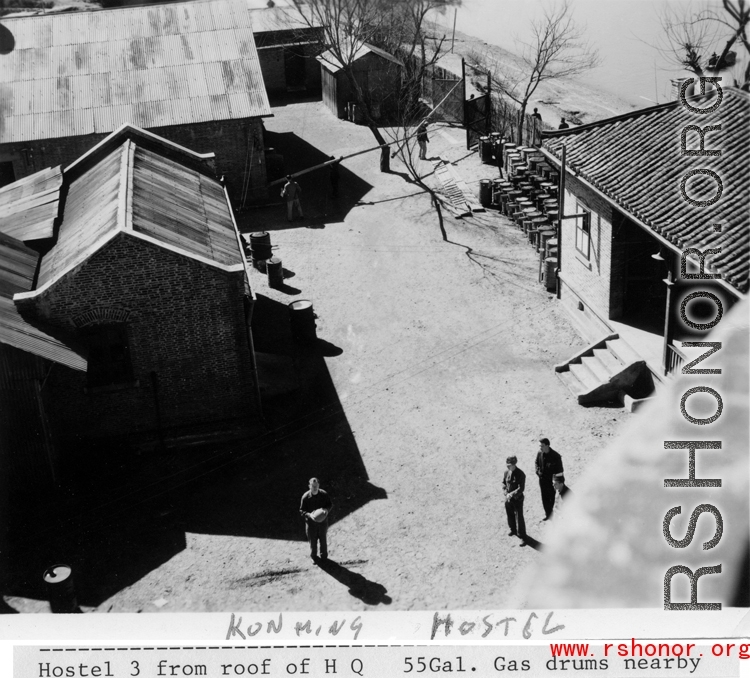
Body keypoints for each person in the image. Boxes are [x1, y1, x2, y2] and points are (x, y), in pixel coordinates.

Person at [300, 477, 332, 563]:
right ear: (309, 486)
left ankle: (324, 557)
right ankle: (314, 557)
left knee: (323, 541)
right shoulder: (305, 497)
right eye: (313, 486)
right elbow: (302, 511)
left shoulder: (324, 494)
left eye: (316, 486)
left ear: (319, 485)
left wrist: (326, 510)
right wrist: (310, 515)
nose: (315, 488)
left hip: (322, 523)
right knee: (313, 542)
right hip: (311, 524)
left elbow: (329, 505)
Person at [535, 437, 563, 521]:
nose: (540, 448)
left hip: (551, 482)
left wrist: (556, 482)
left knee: (552, 498)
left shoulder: (556, 456)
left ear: (547, 445)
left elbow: (560, 471)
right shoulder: (539, 453)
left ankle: (553, 514)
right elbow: (536, 463)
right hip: (542, 480)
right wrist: (537, 471)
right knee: (544, 498)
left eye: (542, 446)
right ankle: (548, 515)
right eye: (540, 446)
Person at [503, 455, 527, 544]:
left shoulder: (521, 474)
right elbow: (503, 483)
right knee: (510, 515)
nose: (508, 466)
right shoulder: (506, 472)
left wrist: (511, 494)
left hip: (517, 499)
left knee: (519, 517)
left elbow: (521, 489)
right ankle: (513, 529)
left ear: (514, 464)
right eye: (507, 465)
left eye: (509, 465)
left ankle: (522, 536)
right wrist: (505, 492)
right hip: (508, 499)